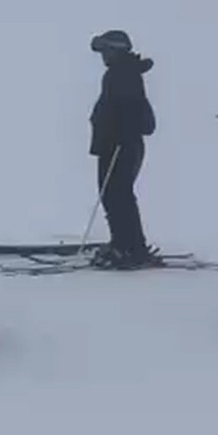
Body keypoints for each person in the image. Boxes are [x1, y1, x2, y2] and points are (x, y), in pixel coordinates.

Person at [88, 30, 158, 268]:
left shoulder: (122, 74)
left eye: (106, 51)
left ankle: (129, 247)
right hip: (118, 143)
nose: (103, 56)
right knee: (116, 194)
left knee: (117, 195)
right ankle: (126, 243)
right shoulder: (120, 73)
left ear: (116, 51)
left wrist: (119, 135)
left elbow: (126, 110)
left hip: (120, 144)